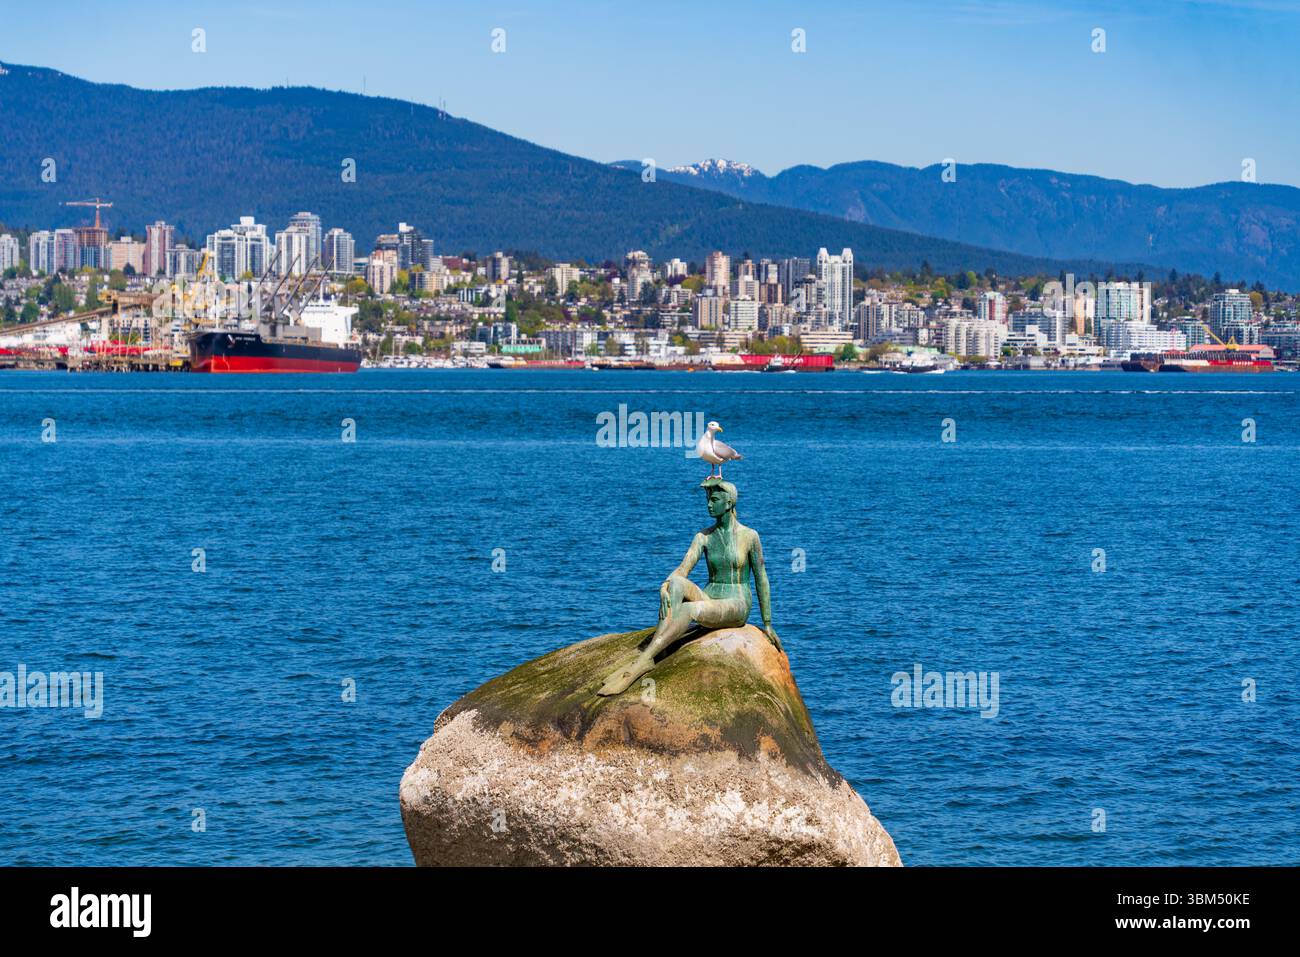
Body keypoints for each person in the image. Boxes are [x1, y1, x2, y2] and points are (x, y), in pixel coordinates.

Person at [597, 477, 781, 696]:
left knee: (689, 609)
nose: (709, 505)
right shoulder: (703, 537)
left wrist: (767, 623)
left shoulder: (749, 536)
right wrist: (664, 586)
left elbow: (761, 578)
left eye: (714, 500)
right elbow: (683, 570)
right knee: (676, 585)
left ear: (729, 503)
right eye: (707, 500)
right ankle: (662, 648)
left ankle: (644, 660)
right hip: (710, 596)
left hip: (737, 603)